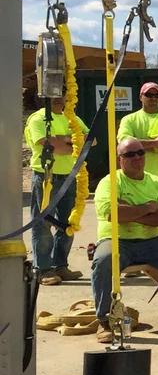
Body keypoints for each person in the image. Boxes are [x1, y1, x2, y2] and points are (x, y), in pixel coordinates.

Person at [90, 138, 158, 344]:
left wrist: (129, 210)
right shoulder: (109, 182)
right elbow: (113, 215)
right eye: (130, 155)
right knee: (103, 260)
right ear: (119, 159)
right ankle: (105, 321)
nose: (137, 158)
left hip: (152, 242)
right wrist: (148, 208)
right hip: (116, 240)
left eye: (140, 153)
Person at [24, 96, 87, 284]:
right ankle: (43, 269)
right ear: (45, 99)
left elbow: (91, 141)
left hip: (70, 176)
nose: (60, 99)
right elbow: (50, 146)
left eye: (62, 95)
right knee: (43, 223)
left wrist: (64, 139)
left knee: (68, 223)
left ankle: (60, 266)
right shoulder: (38, 118)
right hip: (46, 176)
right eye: (54, 96)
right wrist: (72, 141)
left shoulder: (72, 118)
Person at [117, 82, 158, 181]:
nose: (153, 98)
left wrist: (137, 147)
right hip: (136, 176)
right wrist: (155, 143)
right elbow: (124, 143)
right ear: (141, 97)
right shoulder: (129, 119)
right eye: (149, 95)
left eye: (157, 95)